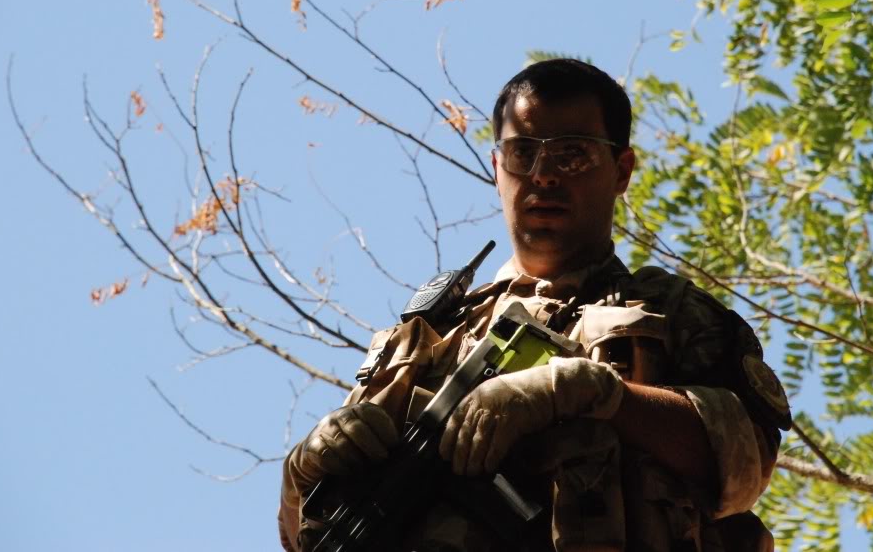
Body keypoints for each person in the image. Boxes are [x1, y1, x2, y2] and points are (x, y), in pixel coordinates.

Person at [278, 59, 790, 551]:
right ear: (497, 167)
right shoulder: (425, 335)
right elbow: (304, 532)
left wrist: (593, 393)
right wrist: (302, 469)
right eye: (524, 154)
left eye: (573, 154)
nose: (544, 175)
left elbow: (746, 462)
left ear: (621, 170)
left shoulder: (667, 309)